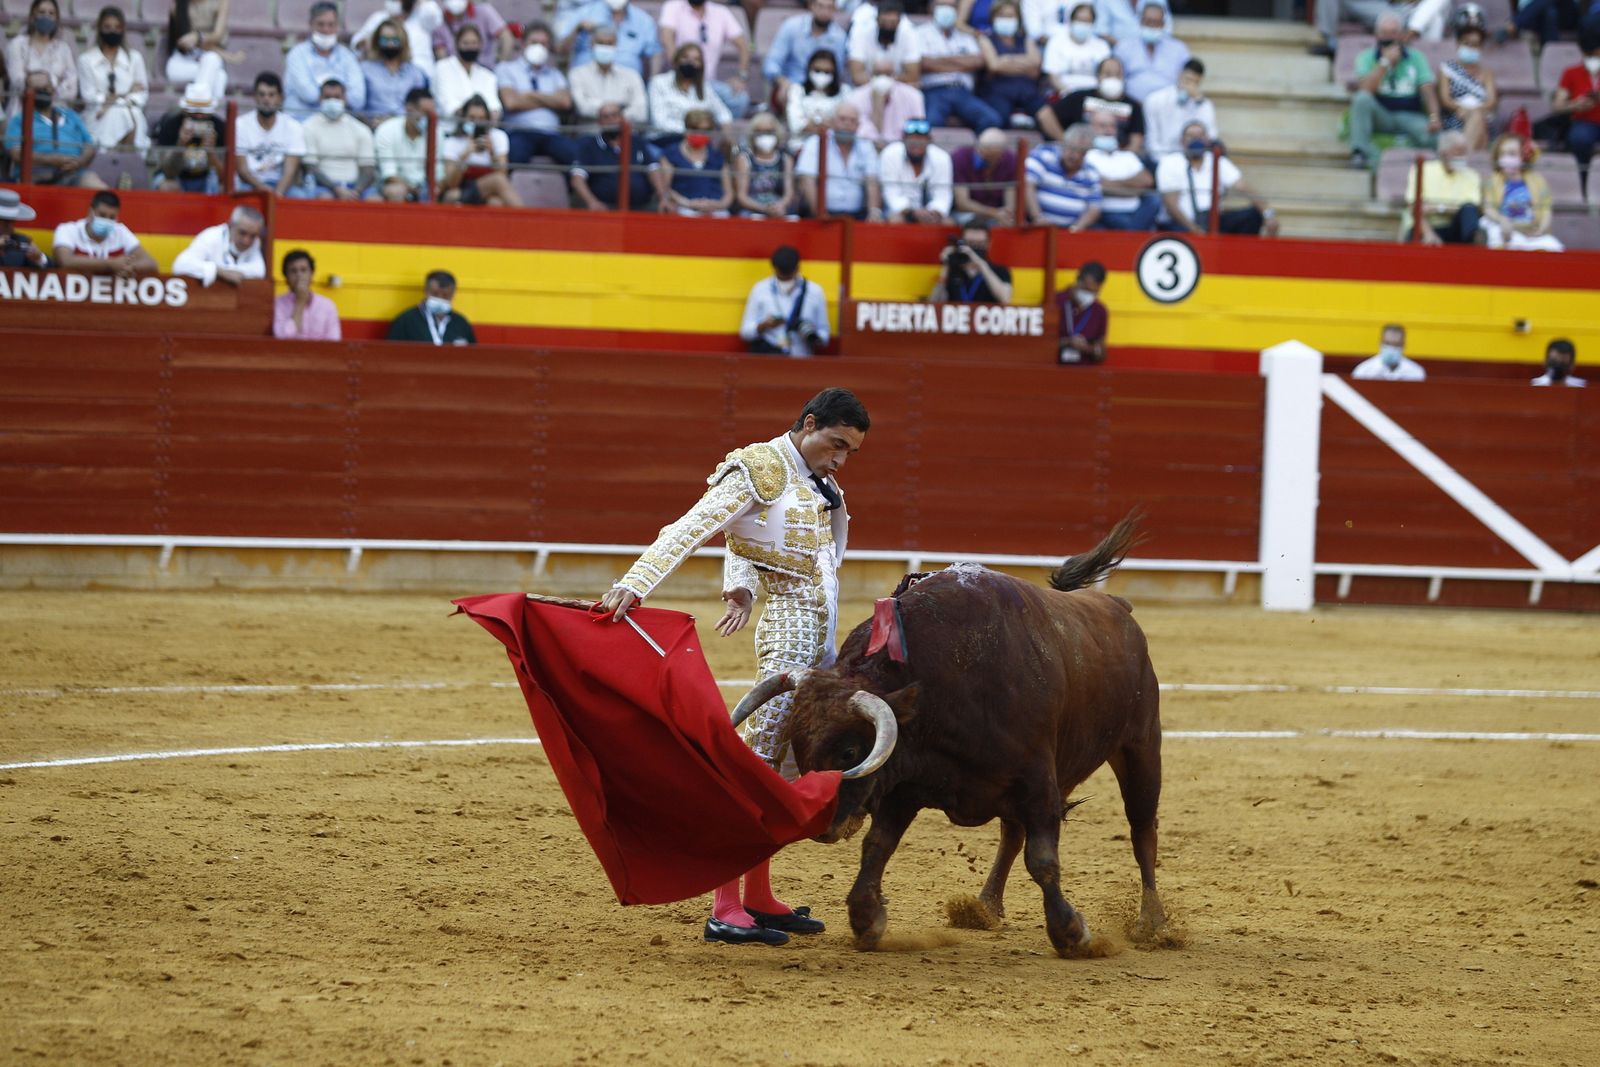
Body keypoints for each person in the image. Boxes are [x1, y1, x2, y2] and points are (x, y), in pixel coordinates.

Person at [597, 387, 872, 947]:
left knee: (784, 772)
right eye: (836, 444)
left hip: (821, 644)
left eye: (850, 452)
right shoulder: (759, 468)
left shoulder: (817, 480)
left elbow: (746, 540)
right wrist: (635, 583)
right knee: (753, 768)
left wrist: (741, 586)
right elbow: (693, 526)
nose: (841, 459)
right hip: (788, 642)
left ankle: (759, 897)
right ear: (809, 423)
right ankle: (724, 906)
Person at [1347, 12, 1441, 170]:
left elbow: (1427, 90)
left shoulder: (1416, 57)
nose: (1389, 37)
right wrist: (1385, 63)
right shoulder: (1366, 57)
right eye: (1384, 33)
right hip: (1381, 113)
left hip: (1410, 115)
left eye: (1394, 33)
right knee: (1361, 99)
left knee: (1435, 137)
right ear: (1377, 35)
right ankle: (1359, 154)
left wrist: (1433, 117)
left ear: (1402, 35)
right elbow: (1365, 90)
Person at [1157, 121, 1278, 236]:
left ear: (1208, 140)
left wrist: (1268, 214)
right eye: (1191, 136)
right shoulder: (1170, 162)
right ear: (1182, 141)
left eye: (1200, 135)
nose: (1196, 140)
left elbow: (1243, 186)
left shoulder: (1217, 160)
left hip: (1213, 221)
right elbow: (1171, 205)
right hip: (1181, 224)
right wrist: (1195, 230)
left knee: (1252, 216)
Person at [3, 72, 103, 187]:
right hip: (35, 175)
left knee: (96, 186)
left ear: (53, 90)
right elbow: (16, 154)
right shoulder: (19, 119)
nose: (43, 92)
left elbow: (89, 145)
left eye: (46, 88)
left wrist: (79, 162)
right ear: (27, 93)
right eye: (37, 89)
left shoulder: (71, 115)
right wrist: (52, 160)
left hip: (73, 173)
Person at [917, 0, 1002, 132]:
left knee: (991, 120)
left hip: (962, 92)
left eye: (951, 6)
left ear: (957, 10)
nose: (947, 9)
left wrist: (939, 61)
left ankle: (972, 152)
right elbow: (925, 63)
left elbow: (977, 62)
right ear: (931, 8)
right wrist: (962, 62)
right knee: (930, 124)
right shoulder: (920, 33)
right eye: (942, 5)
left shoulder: (966, 35)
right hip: (934, 91)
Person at [657, 0, 752, 118]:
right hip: (679, 81)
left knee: (740, 100)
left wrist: (741, 77)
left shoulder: (721, 12)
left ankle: (711, 129)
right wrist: (681, 68)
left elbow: (744, 46)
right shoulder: (673, 6)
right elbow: (667, 38)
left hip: (707, 83)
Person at [498, 23, 575, 165]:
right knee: (516, 155)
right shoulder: (506, 69)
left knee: (575, 156)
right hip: (519, 132)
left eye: (543, 44)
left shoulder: (555, 74)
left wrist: (529, 95)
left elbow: (565, 102)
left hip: (551, 134)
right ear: (523, 43)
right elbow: (511, 103)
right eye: (534, 42)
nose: (539, 47)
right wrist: (550, 100)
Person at [571, 100, 670, 210]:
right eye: (606, 117)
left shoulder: (637, 141)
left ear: (622, 118)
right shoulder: (589, 144)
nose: (611, 120)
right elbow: (577, 178)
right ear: (599, 122)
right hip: (605, 209)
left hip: (642, 207)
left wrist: (663, 198)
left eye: (615, 115)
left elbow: (653, 169)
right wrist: (592, 202)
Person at [78, 5, 151, 150]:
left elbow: (141, 95)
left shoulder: (135, 58)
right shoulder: (85, 60)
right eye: (107, 27)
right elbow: (89, 96)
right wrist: (126, 93)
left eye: (117, 27)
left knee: (128, 112)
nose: (113, 31)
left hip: (129, 111)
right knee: (124, 113)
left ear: (123, 29)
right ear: (99, 28)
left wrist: (113, 100)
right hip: (97, 115)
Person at [1037, 54, 1143, 153]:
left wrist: (1121, 159)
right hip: (1079, 157)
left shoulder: (1133, 106)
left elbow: (1135, 143)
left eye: (1117, 75)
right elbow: (1044, 115)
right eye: (1108, 74)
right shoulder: (1080, 98)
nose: (1113, 79)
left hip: (1116, 159)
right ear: (1098, 76)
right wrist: (1066, 142)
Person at [795, 102, 883, 219]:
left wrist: (874, 212)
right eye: (842, 119)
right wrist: (818, 213)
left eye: (852, 121)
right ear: (832, 121)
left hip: (857, 216)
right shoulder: (815, 142)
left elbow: (872, 180)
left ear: (858, 125)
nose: (847, 124)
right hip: (821, 214)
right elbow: (807, 180)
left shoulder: (866, 145)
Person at [739, 244, 830, 355]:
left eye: (789, 273)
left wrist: (811, 335)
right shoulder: (760, 289)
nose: (786, 279)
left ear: (797, 268)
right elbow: (745, 332)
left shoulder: (815, 292)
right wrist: (763, 326)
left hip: (801, 358)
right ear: (774, 268)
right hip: (770, 356)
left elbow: (824, 336)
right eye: (782, 273)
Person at [1480, 133, 1563, 252]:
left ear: (1523, 156)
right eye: (1502, 154)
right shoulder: (1492, 181)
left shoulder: (1537, 180)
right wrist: (1503, 220)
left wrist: (1541, 230)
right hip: (1506, 231)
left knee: (1554, 248)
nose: (1506, 158)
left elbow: (1546, 210)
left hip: (1532, 233)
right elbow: (1488, 209)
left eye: (1512, 154)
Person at [300, 80, 379, 200]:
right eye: (327, 97)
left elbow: (368, 170)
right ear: (320, 99)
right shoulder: (308, 127)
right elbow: (311, 167)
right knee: (325, 198)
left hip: (356, 186)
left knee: (375, 200)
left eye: (337, 97)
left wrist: (356, 191)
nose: (332, 101)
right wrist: (336, 189)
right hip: (323, 187)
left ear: (345, 99)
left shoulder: (360, 129)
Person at [284, 4, 367, 118]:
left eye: (331, 25)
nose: (326, 30)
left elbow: (358, 99)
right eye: (320, 24)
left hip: (339, 125)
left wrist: (325, 96)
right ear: (311, 25)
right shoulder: (297, 55)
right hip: (302, 122)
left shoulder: (348, 57)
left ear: (337, 26)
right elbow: (309, 94)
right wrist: (339, 97)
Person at [51, 190, 158, 277]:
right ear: (90, 212)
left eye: (112, 217)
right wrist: (110, 264)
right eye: (102, 215)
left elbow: (151, 264)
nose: (107, 220)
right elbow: (65, 261)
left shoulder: (120, 231)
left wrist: (130, 267)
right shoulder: (67, 230)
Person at [1399, 130, 1481, 244]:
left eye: (1464, 152)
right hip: (1424, 228)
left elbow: (1470, 208)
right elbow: (1415, 207)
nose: (1463, 157)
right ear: (1443, 153)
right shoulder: (1422, 170)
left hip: (1454, 229)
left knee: (1469, 211)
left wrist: (1438, 208)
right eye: (1458, 152)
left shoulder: (1471, 175)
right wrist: (1429, 234)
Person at [439, 94, 522, 206]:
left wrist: (492, 153)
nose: (476, 123)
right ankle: (530, 219)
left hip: (488, 191)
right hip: (461, 189)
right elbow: (451, 184)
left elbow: (503, 174)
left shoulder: (498, 137)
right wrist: (465, 155)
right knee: (496, 181)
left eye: (481, 119)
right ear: (464, 118)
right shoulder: (452, 142)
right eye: (472, 118)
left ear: (487, 119)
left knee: (495, 203)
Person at [764, 0, 850, 104]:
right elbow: (771, 64)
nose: (824, 11)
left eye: (829, 8)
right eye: (820, 6)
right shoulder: (791, 27)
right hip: (792, 85)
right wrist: (783, 82)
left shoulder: (839, 37)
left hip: (823, 90)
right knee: (787, 94)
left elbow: (837, 72)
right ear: (811, 6)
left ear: (835, 10)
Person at [149, 80, 225, 193]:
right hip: (176, 177)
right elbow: (168, 172)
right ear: (185, 111)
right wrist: (180, 144)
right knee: (167, 186)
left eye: (203, 113)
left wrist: (211, 153)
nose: (199, 116)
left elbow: (224, 176)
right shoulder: (171, 125)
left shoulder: (219, 127)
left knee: (223, 188)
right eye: (194, 112)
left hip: (206, 178)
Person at [1086, 107, 1155, 229]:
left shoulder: (1126, 155)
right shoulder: (1087, 155)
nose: (1108, 130)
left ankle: (1132, 236)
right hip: (1104, 212)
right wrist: (1131, 185)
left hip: (1135, 211)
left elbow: (1147, 181)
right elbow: (1097, 185)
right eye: (1102, 126)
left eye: (1112, 126)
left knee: (1154, 199)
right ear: (1091, 128)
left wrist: (1112, 185)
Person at [1438, 7, 1496, 152]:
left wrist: (1475, 110)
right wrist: (1461, 109)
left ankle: (1464, 157)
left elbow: (1491, 101)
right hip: (1455, 117)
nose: (1471, 48)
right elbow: (1445, 99)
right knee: (1479, 123)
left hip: (1481, 116)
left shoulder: (1487, 73)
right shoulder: (1447, 68)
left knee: (1479, 119)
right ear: (1458, 44)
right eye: (1467, 43)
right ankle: (1469, 158)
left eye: (1475, 45)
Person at [978, 1, 1044, 127]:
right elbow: (994, 65)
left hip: (1026, 91)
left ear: (1018, 19)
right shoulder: (986, 38)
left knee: (1045, 112)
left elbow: (1035, 66)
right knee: (998, 115)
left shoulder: (1025, 40)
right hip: (997, 92)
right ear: (993, 18)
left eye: (1010, 16)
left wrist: (1006, 60)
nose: (1006, 20)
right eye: (1002, 16)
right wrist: (1024, 62)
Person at [649, 42, 734, 140]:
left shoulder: (704, 87)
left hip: (698, 142)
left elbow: (724, 114)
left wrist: (727, 138)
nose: (690, 63)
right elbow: (660, 122)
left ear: (701, 65)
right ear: (676, 60)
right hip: (667, 139)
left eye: (696, 60)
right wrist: (693, 130)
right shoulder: (659, 82)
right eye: (685, 57)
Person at [1025, 122, 1101, 230]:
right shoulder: (1043, 154)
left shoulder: (1091, 173)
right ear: (1063, 143)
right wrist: (1037, 217)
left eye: (1082, 152)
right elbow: (1027, 185)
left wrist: (1077, 228)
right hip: (1036, 226)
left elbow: (1094, 208)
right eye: (1072, 149)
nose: (1075, 156)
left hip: (1070, 231)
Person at [1550, 31, 1600, 197]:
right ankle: (1583, 186)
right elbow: (1557, 105)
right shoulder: (1571, 72)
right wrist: (1575, 104)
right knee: (1579, 138)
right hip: (1585, 122)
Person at [557, 0, 661, 77]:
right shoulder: (585, 13)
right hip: (588, 82)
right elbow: (561, 51)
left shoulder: (643, 20)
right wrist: (577, 29)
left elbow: (655, 53)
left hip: (628, 85)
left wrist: (652, 84)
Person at [880, 117, 954, 223]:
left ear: (929, 140)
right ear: (903, 139)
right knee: (896, 220)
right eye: (912, 138)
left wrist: (933, 211)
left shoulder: (942, 157)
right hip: (901, 212)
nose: (916, 143)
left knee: (948, 223)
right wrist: (912, 212)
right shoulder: (890, 153)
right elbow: (891, 194)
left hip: (931, 214)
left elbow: (943, 194)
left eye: (921, 139)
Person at [172, 203, 266, 287]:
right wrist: (219, 272)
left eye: (253, 236)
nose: (247, 241)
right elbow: (180, 265)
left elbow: (258, 271)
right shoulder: (211, 236)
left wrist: (224, 272)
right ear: (230, 225)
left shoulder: (256, 242)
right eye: (242, 233)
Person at [568, 27, 649, 124]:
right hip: (591, 135)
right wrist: (619, 110)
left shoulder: (632, 75)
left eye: (609, 43)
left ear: (616, 45)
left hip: (624, 135)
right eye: (600, 43)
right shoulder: (577, 74)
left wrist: (604, 110)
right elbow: (582, 108)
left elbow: (641, 112)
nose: (605, 47)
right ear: (591, 44)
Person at [375, 86, 443, 201]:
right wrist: (413, 190)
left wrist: (435, 187)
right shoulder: (386, 130)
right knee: (396, 191)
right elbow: (389, 174)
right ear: (409, 109)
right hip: (394, 186)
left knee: (440, 192)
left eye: (431, 114)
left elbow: (439, 172)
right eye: (425, 113)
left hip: (425, 187)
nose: (428, 118)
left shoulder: (437, 132)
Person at [661, 108, 732, 216]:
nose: (700, 133)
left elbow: (729, 193)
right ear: (686, 128)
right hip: (683, 208)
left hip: (716, 210)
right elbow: (665, 189)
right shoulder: (671, 154)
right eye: (695, 128)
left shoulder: (717, 156)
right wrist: (688, 203)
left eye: (705, 130)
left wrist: (717, 205)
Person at [1141, 57, 1215, 159]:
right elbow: (1152, 139)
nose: (1189, 86)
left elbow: (1211, 136)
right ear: (1180, 75)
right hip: (1161, 159)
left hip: (1193, 159)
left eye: (1195, 83)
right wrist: (1165, 163)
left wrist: (1199, 103)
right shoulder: (1155, 100)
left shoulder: (1204, 105)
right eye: (1187, 80)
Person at [7, 0, 78, 105]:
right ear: (32, 16)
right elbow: (17, 80)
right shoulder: (17, 44)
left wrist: (51, 84)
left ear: (56, 19)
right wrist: (31, 81)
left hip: (55, 111)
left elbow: (72, 89)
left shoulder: (64, 49)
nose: (46, 16)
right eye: (41, 12)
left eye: (51, 13)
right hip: (22, 109)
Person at [1112, 0, 1184, 103]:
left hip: (1167, 105)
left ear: (1163, 24)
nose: (1152, 26)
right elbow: (1116, 78)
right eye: (1148, 22)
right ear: (1141, 21)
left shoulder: (1179, 49)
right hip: (1133, 105)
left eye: (1156, 23)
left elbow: (1187, 78)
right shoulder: (1123, 47)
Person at [353, 0, 443, 82]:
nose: (393, 2)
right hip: (384, 76)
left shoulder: (422, 17)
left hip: (419, 78)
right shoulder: (379, 18)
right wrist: (365, 44)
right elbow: (357, 42)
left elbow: (433, 14)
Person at [163, 0, 231, 107]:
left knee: (211, 59)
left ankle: (195, 108)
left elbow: (218, 35)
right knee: (218, 77)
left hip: (211, 53)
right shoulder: (178, 5)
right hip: (185, 59)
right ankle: (202, 107)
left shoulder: (220, 2)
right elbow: (178, 40)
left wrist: (198, 38)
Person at [845, 55, 926, 145]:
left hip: (901, 149)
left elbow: (917, 130)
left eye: (888, 74)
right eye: (878, 74)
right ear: (870, 75)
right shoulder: (855, 97)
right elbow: (863, 135)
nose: (883, 79)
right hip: (868, 148)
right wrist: (877, 104)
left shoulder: (913, 96)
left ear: (895, 75)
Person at [361, 17, 430, 120]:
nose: (390, 44)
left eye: (395, 40)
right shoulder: (365, 70)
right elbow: (358, 105)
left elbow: (420, 106)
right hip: (373, 127)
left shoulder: (415, 74)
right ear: (377, 41)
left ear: (403, 42)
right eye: (385, 40)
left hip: (405, 128)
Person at [930, 217, 1012, 301]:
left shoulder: (1000, 270)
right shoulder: (953, 270)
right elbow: (934, 303)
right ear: (962, 243)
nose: (974, 248)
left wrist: (981, 264)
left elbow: (1005, 299)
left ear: (989, 244)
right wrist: (946, 266)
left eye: (980, 244)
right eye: (970, 243)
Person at [387, 269, 477, 344]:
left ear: (453, 294)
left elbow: (473, 356)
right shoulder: (406, 321)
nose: (440, 299)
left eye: (445, 295)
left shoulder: (461, 323)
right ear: (426, 291)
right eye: (435, 294)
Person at [733, 112, 796, 218]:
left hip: (779, 208)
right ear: (753, 134)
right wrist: (764, 209)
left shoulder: (785, 158)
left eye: (769, 132)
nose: (765, 135)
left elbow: (789, 193)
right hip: (753, 209)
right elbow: (742, 196)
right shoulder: (744, 158)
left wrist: (779, 206)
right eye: (759, 132)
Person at [435, 23, 502, 120]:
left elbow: (494, 108)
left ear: (480, 45)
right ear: (457, 44)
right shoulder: (442, 68)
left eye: (474, 43)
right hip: (450, 130)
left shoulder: (488, 76)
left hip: (483, 130)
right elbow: (448, 105)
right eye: (466, 43)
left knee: (501, 135)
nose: (470, 47)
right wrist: (473, 117)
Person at [846, 0, 921, 87]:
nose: (888, 26)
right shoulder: (861, 31)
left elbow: (913, 76)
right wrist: (880, 83)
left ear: (899, 22)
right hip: (866, 87)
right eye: (884, 23)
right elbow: (857, 76)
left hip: (898, 88)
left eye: (892, 23)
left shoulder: (909, 32)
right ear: (876, 20)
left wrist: (886, 82)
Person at [273, 248, 342, 341]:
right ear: (286, 278)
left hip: (319, 355)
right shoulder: (277, 304)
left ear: (312, 274)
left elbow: (334, 342)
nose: (299, 275)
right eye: (293, 271)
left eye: (304, 270)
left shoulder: (327, 306)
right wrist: (299, 303)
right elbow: (283, 338)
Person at [951, 126, 1016, 224]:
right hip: (969, 213)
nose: (983, 159)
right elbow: (962, 203)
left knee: (1010, 222)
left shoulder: (1010, 160)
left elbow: (1011, 202)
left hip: (998, 215)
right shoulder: (961, 156)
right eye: (981, 153)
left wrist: (1006, 214)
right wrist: (994, 213)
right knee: (971, 224)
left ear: (1001, 155)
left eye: (990, 157)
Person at [785, 48, 846, 152]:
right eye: (817, 70)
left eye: (827, 72)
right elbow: (795, 125)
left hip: (834, 148)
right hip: (800, 146)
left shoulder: (844, 91)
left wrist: (813, 123)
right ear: (809, 69)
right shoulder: (797, 90)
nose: (821, 75)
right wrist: (826, 125)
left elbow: (843, 126)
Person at [1041, 2, 1107, 95]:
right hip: (1064, 94)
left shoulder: (1102, 46)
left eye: (1087, 21)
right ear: (1071, 21)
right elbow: (1052, 76)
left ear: (1093, 23)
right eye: (1079, 20)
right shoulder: (1056, 42)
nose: (1083, 24)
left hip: (1094, 96)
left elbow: (1105, 76)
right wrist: (1070, 94)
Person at [434, 0, 514, 69]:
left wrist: (499, 62)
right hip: (457, 74)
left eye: (473, 42)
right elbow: (441, 56)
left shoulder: (484, 11)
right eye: (466, 43)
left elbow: (506, 38)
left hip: (487, 69)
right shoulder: (439, 21)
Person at [1055, 259, 1106, 363]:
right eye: (1086, 289)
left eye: (1093, 292)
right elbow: (1039, 344)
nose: (1088, 295)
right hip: (1055, 369)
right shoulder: (1055, 302)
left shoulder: (1099, 311)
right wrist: (1068, 342)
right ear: (1078, 281)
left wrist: (1088, 348)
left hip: (1084, 372)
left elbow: (1101, 353)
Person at [1351, 324, 1425, 381]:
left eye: (1396, 345)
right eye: (1387, 343)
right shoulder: (1364, 371)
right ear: (1380, 343)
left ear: (1403, 345)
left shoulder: (1415, 372)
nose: (1391, 348)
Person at [0, 188, 50, 269]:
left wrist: (39, 258)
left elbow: (52, 267)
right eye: (4, 221)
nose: (9, 225)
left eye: (12, 221)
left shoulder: (21, 241)